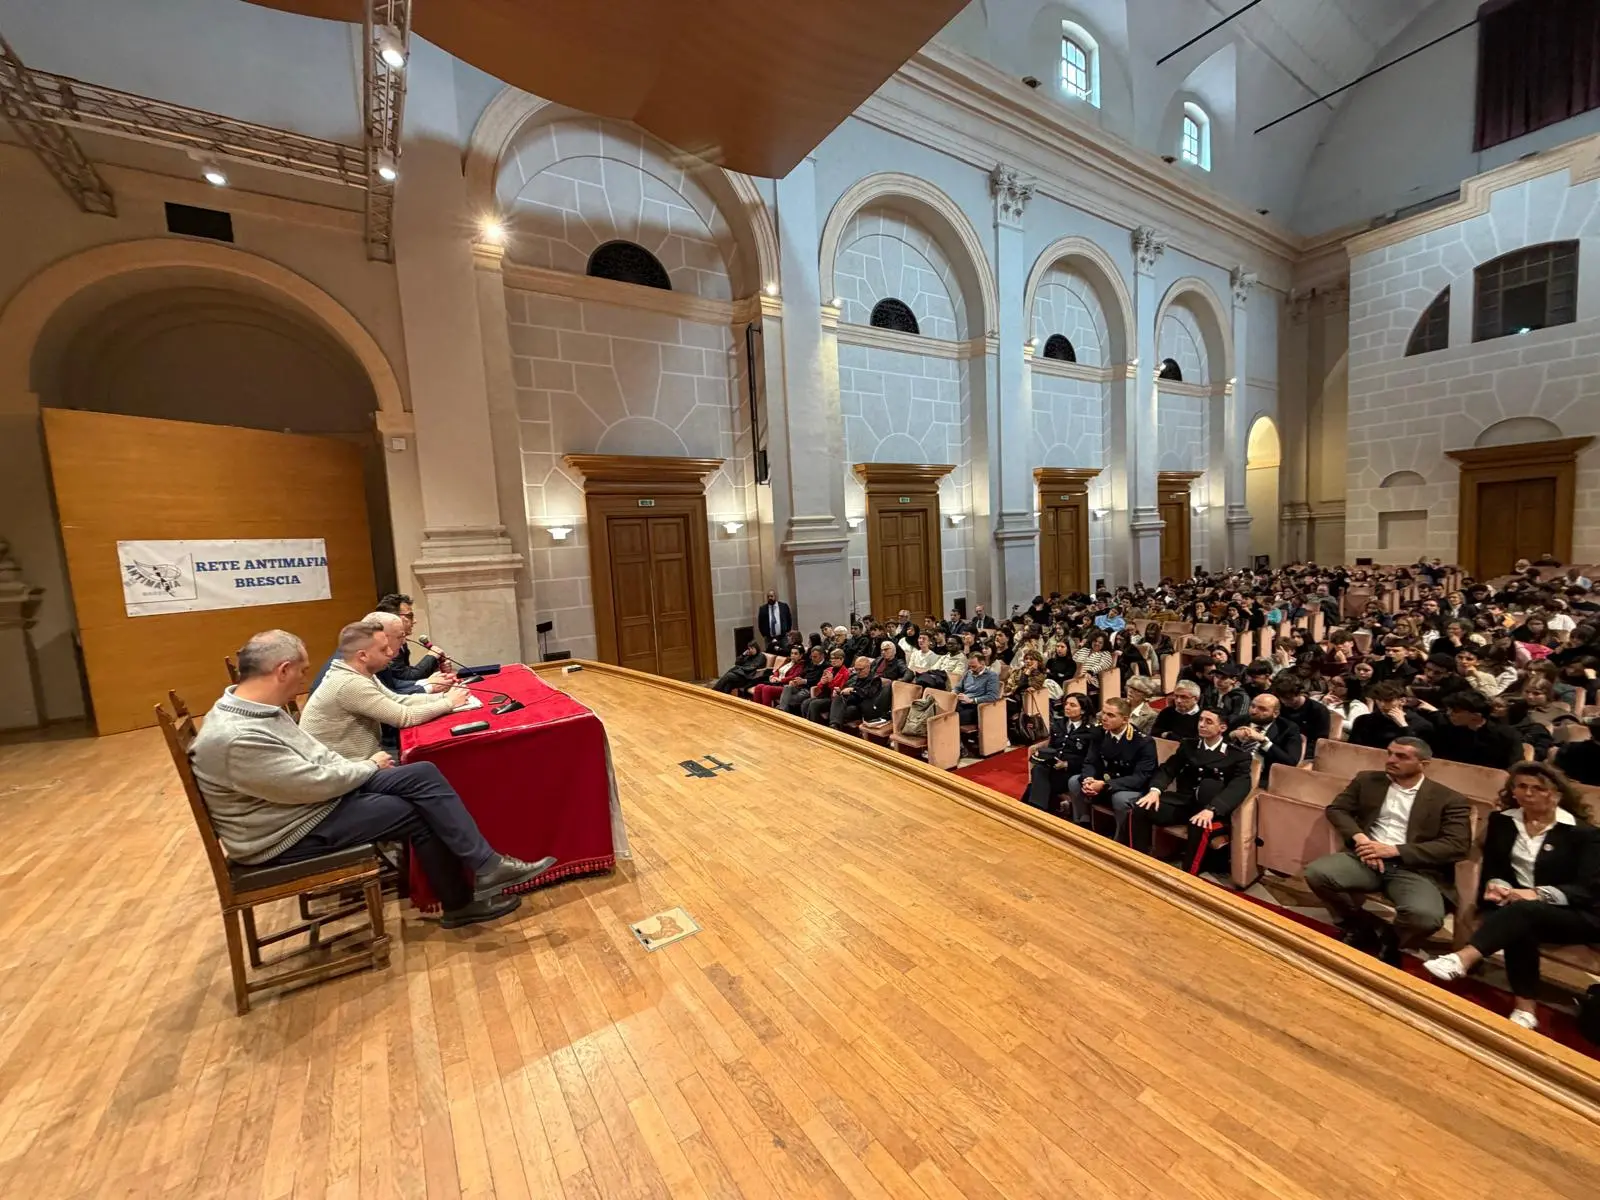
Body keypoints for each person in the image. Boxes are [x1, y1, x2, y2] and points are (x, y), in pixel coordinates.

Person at [191, 630, 555, 929]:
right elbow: (310, 785)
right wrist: (367, 768)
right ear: (282, 670)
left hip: (307, 801)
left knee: (423, 775)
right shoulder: (236, 735)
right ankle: (460, 902)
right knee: (413, 811)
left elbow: (316, 758)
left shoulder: (258, 709)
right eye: (301, 670)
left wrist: (365, 765)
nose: (306, 678)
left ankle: (488, 867)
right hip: (286, 832)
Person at [1423, 763, 1600, 1030]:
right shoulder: (1503, 821)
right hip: (1517, 907)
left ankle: (1464, 958)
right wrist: (1498, 885)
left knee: (1524, 911)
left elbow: (1587, 889)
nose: (1528, 793)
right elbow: (1495, 867)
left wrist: (1536, 893)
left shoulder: (1583, 834)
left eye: (1538, 788)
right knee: (1520, 921)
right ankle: (1525, 1009)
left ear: (1556, 794)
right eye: (1521, 786)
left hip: (1575, 913)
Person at [1303, 737, 1472, 965]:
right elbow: (1337, 809)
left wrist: (1393, 850)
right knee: (1317, 873)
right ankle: (1361, 924)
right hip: (1365, 857)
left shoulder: (1450, 799)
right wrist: (1362, 840)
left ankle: (1392, 936)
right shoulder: (1367, 780)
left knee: (1426, 918)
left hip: (1414, 868)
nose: (1391, 760)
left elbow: (1456, 846)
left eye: (1401, 756)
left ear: (1424, 764)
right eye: (1390, 753)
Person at [300, 621, 467, 761]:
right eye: (383, 650)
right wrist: (449, 703)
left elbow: (399, 700)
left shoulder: (359, 673)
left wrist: (444, 696)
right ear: (363, 655)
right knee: (430, 764)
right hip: (349, 771)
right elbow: (404, 717)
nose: (390, 654)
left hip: (365, 762)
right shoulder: (350, 683)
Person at [1128, 709, 1254, 871]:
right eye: (1200, 720)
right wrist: (1155, 790)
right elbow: (1168, 769)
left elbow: (1239, 786)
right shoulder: (1189, 745)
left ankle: (1188, 874)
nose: (1201, 725)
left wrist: (1212, 808)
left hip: (1211, 809)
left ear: (1222, 728)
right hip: (1183, 802)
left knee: (1199, 823)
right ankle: (1137, 860)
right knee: (1141, 808)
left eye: (1208, 722)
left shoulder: (1236, 755)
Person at [1067, 698, 1158, 840]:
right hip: (1103, 782)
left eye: (1111, 715)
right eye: (1103, 713)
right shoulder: (1100, 733)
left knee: (1120, 799)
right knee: (1074, 781)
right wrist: (1088, 779)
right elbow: (1090, 761)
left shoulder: (1142, 741)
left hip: (1128, 787)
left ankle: (1121, 839)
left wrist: (1105, 785)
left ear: (1125, 719)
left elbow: (1141, 777)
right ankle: (1082, 824)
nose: (1104, 718)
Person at [1024, 694, 1098, 813]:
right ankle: (1038, 811)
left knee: (1035, 785)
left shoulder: (1091, 731)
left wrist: (1066, 764)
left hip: (1071, 771)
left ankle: (1033, 810)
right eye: (1066, 704)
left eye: (1072, 705)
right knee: (1038, 769)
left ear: (1083, 710)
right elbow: (1052, 747)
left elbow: (1089, 759)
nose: (1067, 707)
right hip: (1053, 766)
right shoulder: (1058, 724)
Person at [1421, 690, 1524, 768]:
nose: (1449, 714)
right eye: (1449, 709)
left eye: (1455, 711)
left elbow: (1515, 768)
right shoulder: (1447, 729)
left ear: (1476, 716)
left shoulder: (1507, 736)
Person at [1227, 692, 1303, 786]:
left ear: (1275, 713)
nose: (1254, 711)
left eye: (1262, 709)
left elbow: (1291, 762)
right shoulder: (1240, 720)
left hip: (1264, 777)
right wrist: (1232, 735)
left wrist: (1264, 741)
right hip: (1230, 770)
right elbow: (1217, 744)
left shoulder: (1288, 728)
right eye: (1253, 706)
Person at [375, 592, 440, 687]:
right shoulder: (387, 643)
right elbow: (404, 677)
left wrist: (436, 664)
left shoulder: (401, 641)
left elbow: (405, 673)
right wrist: (432, 656)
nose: (414, 621)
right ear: (393, 617)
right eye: (410, 616)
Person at [1273, 676, 1332, 759]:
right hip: (1281, 746)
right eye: (1281, 698)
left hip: (1306, 751)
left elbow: (1320, 741)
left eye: (1289, 698)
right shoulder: (1280, 706)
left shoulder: (1318, 710)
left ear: (1299, 693)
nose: (1284, 701)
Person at [826, 655, 884, 729]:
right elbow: (845, 688)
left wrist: (853, 690)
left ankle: (834, 728)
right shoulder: (854, 676)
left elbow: (868, 693)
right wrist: (839, 691)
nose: (858, 672)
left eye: (860, 669)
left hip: (859, 706)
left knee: (843, 710)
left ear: (868, 667)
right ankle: (834, 726)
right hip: (846, 701)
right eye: (856, 669)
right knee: (835, 700)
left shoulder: (875, 679)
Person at [954, 652, 1000, 727]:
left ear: (982, 664)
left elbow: (993, 696)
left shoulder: (991, 676)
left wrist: (971, 700)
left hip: (976, 707)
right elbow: (958, 688)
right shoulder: (968, 673)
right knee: (943, 713)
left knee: (954, 719)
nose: (971, 669)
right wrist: (953, 693)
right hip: (962, 703)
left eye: (974, 667)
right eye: (970, 666)